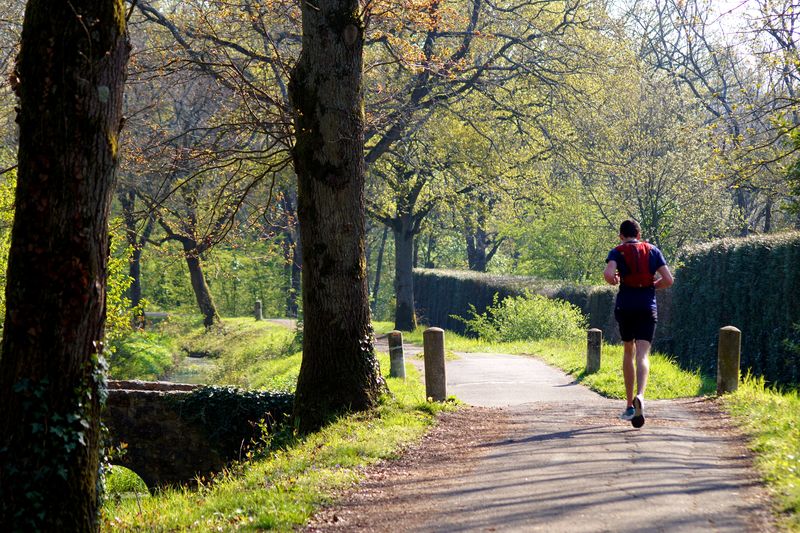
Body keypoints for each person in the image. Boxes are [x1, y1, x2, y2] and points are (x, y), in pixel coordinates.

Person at [603, 220, 673, 428]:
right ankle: (641, 395)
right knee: (643, 353)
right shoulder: (653, 250)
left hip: (625, 306)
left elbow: (608, 274)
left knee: (628, 351)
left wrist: (614, 280)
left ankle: (629, 405)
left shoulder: (617, 251)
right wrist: (652, 286)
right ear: (639, 233)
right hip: (646, 307)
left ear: (621, 236)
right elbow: (668, 279)